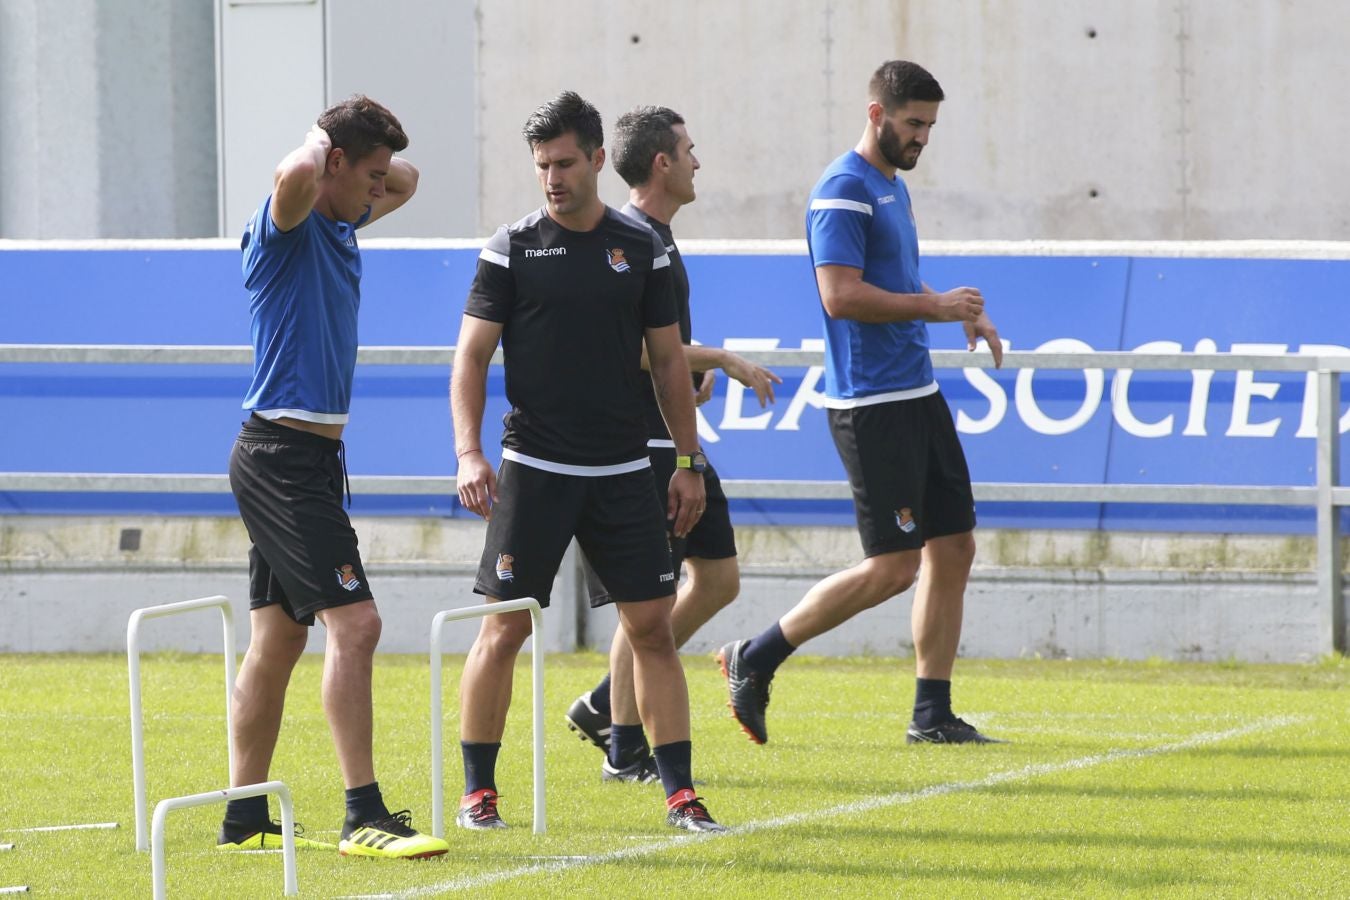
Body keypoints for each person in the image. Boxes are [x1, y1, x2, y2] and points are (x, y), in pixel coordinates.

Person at [451, 91, 727, 833]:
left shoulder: (642, 246)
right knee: (503, 629)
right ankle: (479, 793)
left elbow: (668, 362)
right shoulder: (511, 247)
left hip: (621, 472)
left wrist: (687, 461)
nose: (552, 177)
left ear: (599, 159)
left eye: (565, 162)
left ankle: (680, 795)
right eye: (542, 165)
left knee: (653, 632)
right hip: (534, 469)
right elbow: (471, 356)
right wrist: (469, 451)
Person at [717, 60, 1005, 747]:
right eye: (913, 123)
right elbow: (839, 296)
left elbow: (895, 279)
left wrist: (953, 308)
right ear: (876, 114)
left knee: (955, 546)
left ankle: (931, 713)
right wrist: (935, 306)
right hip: (871, 406)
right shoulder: (842, 189)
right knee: (895, 567)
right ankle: (755, 656)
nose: (923, 138)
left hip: (917, 393)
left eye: (931, 126)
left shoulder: (890, 187)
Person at [224, 96, 449, 859]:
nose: (380, 191)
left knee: (279, 641)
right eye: (367, 176)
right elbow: (294, 173)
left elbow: (409, 178)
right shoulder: (284, 229)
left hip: (309, 460)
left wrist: (368, 161)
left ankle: (242, 815)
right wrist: (324, 141)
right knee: (357, 625)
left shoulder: (344, 221)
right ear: (335, 164)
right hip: (280, 459)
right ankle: (363, 811)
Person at [562, 106, 780, 783]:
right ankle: (625, 746)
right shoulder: (625, 239)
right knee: (646, 606)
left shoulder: (660, 239)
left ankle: (606, 702)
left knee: (717, 579)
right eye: (689, 149)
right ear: (662, 163)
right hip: (643, 453)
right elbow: (628, 351)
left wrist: (690, 374)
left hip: (678, 442)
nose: (697, 161)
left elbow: (662, 354)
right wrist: (725, 358)